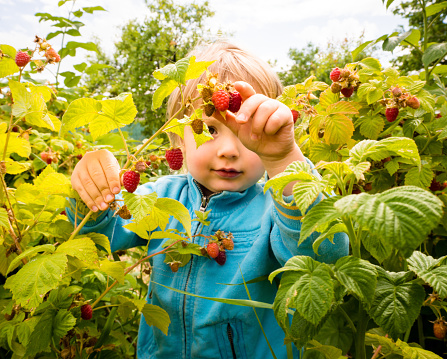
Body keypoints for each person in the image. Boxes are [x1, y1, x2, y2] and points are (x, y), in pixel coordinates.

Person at [67, 41, 348, 359]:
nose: (229, 150)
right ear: (178, 140)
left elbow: (326, 256)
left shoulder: (277, 208)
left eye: (247, 132)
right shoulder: (162, 197)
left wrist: (285, 162)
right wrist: (90, 190)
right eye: (210, 129)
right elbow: (102, 232)